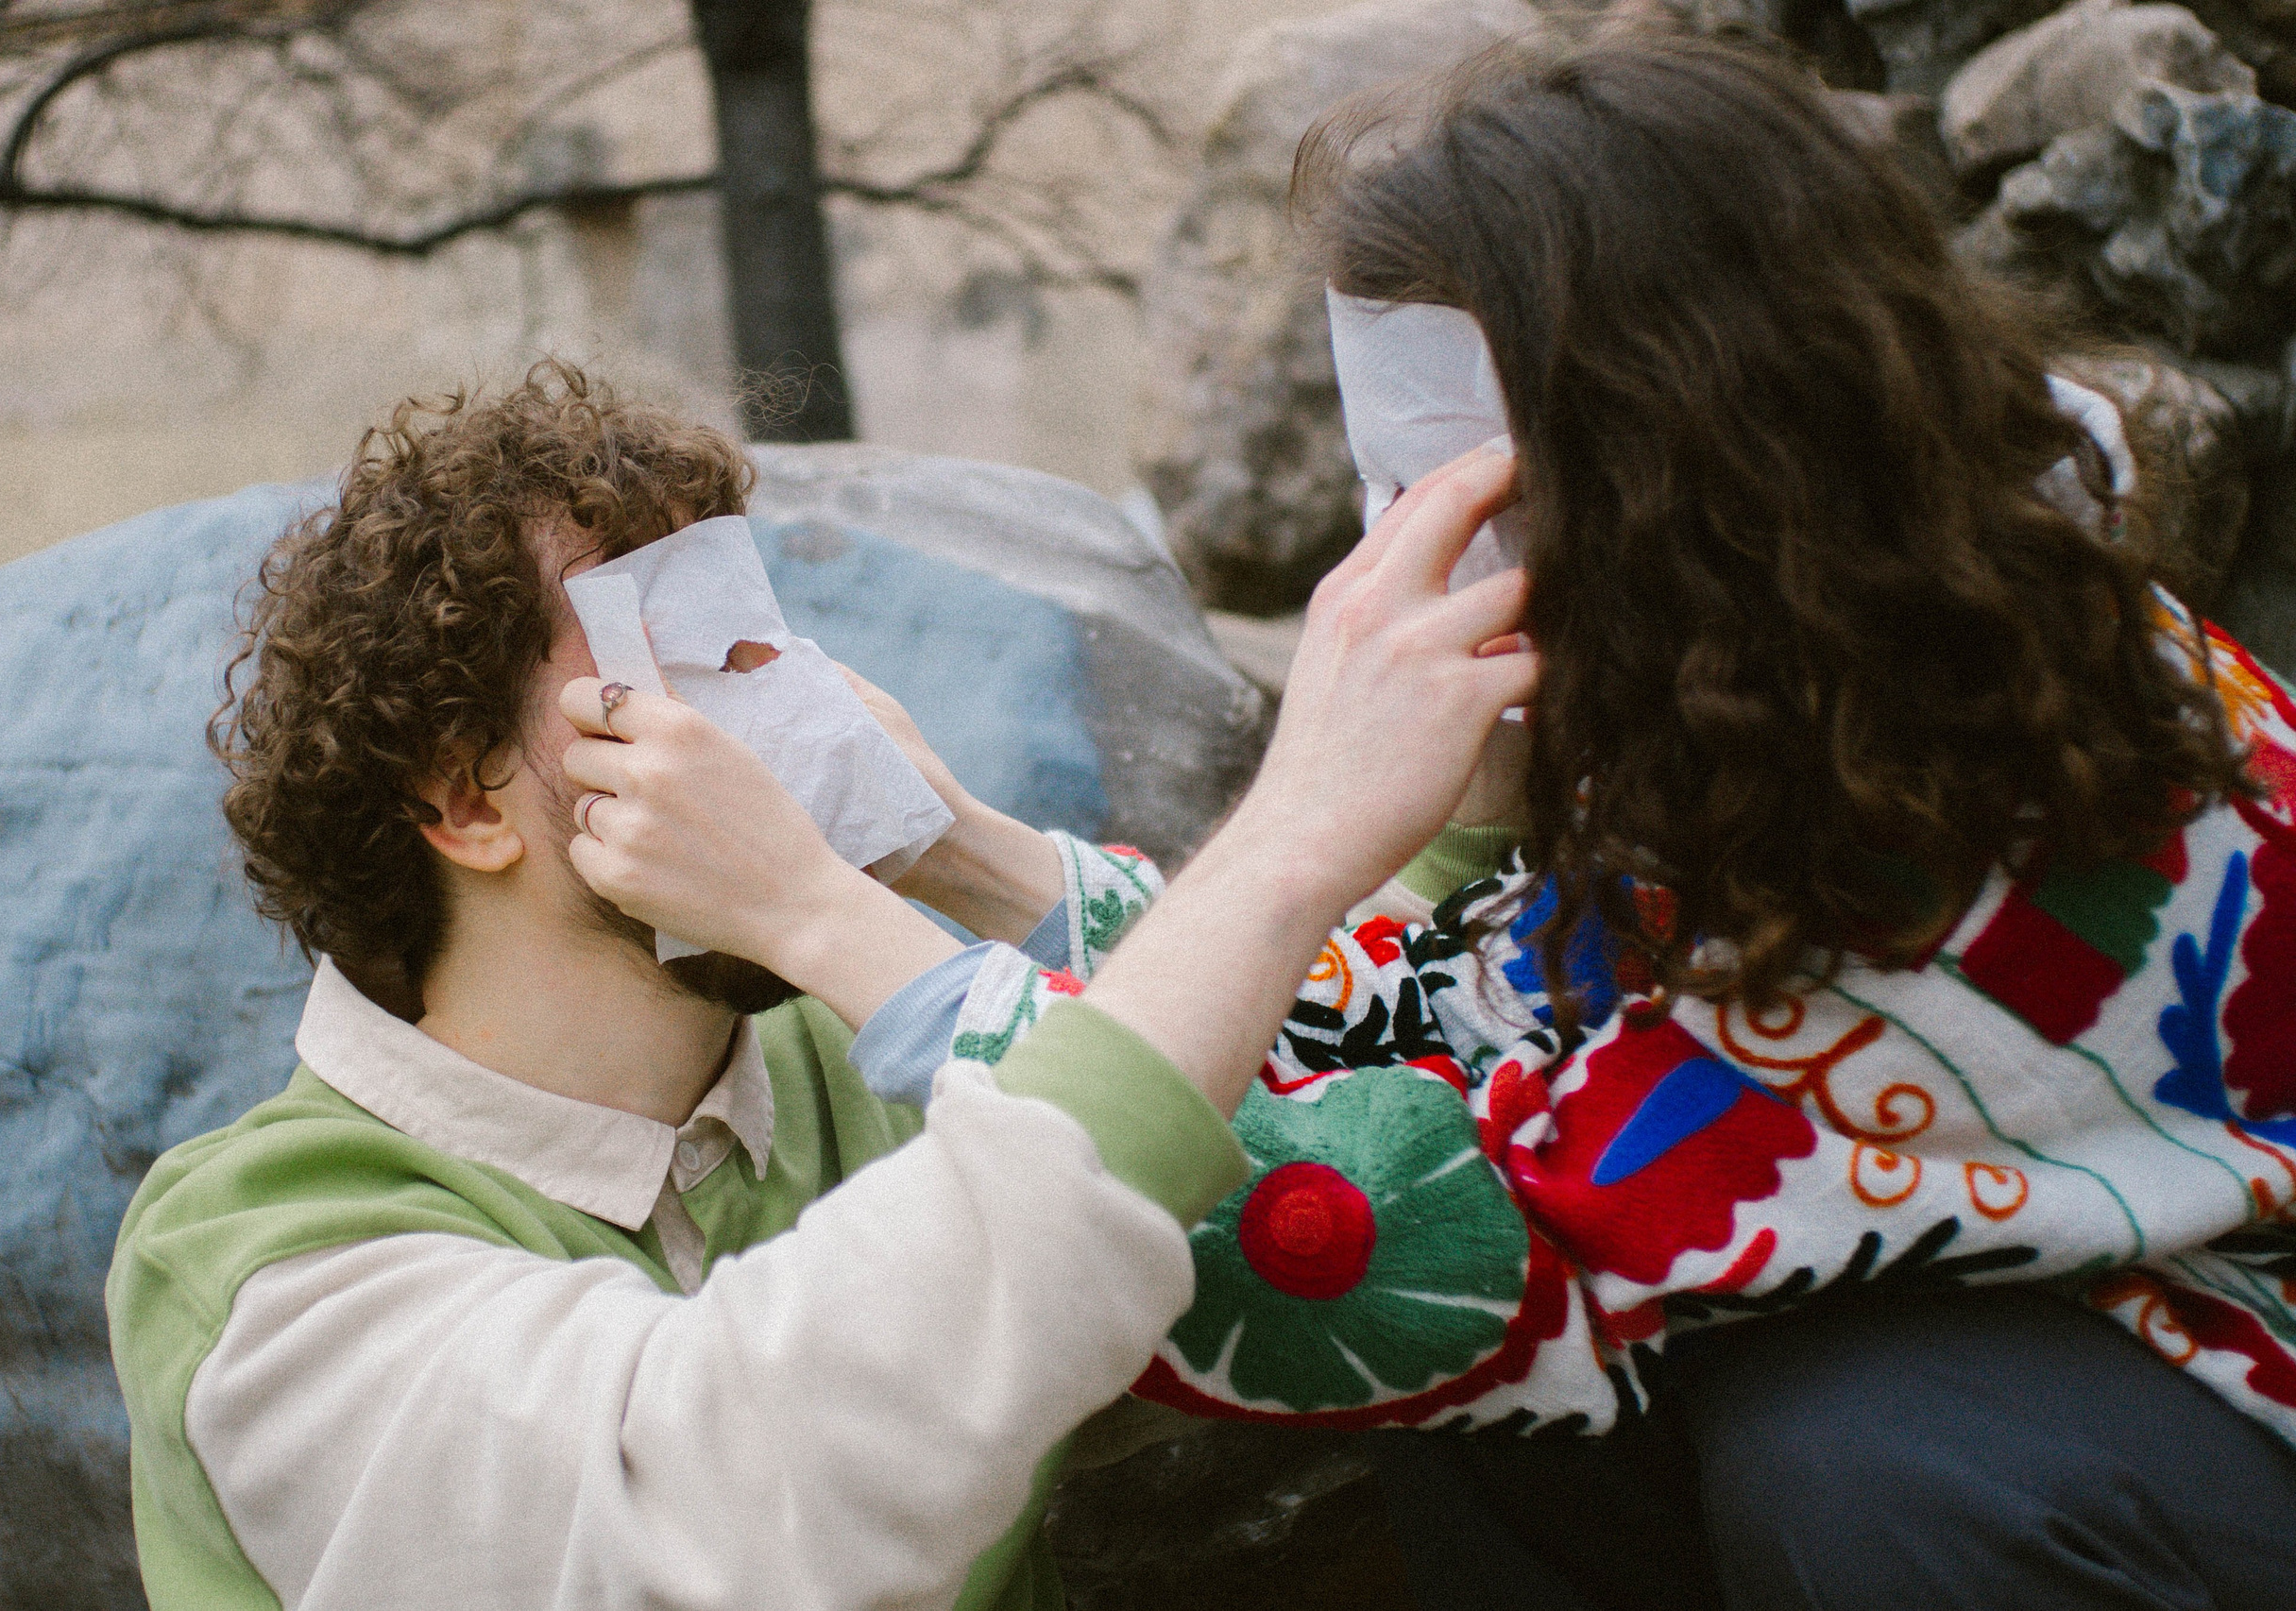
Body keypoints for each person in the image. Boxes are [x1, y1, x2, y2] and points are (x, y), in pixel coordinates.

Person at [584, 27, 2296, 1611]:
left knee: (1879, 1470)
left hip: (2211, 1385)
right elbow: (1437, 1034)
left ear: (1689, 458)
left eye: (1446, 490)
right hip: (2012, 1319)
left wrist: (832, 927)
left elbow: (1382, 1245)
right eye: (1377, 486)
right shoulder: (1780, 666)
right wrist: (954, 845)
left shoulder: (1990, 782)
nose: (1380, 557)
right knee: (1588, 1449)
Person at [103, 362, 1538, 1610]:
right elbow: (727, 1513)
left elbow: (1336, 1201)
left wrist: (964, 852)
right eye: (665, 647)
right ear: (461, 801)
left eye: (758, 631)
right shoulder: (268, 1259)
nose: (773, 700)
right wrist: (1281, 838)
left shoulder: (856, 1055)